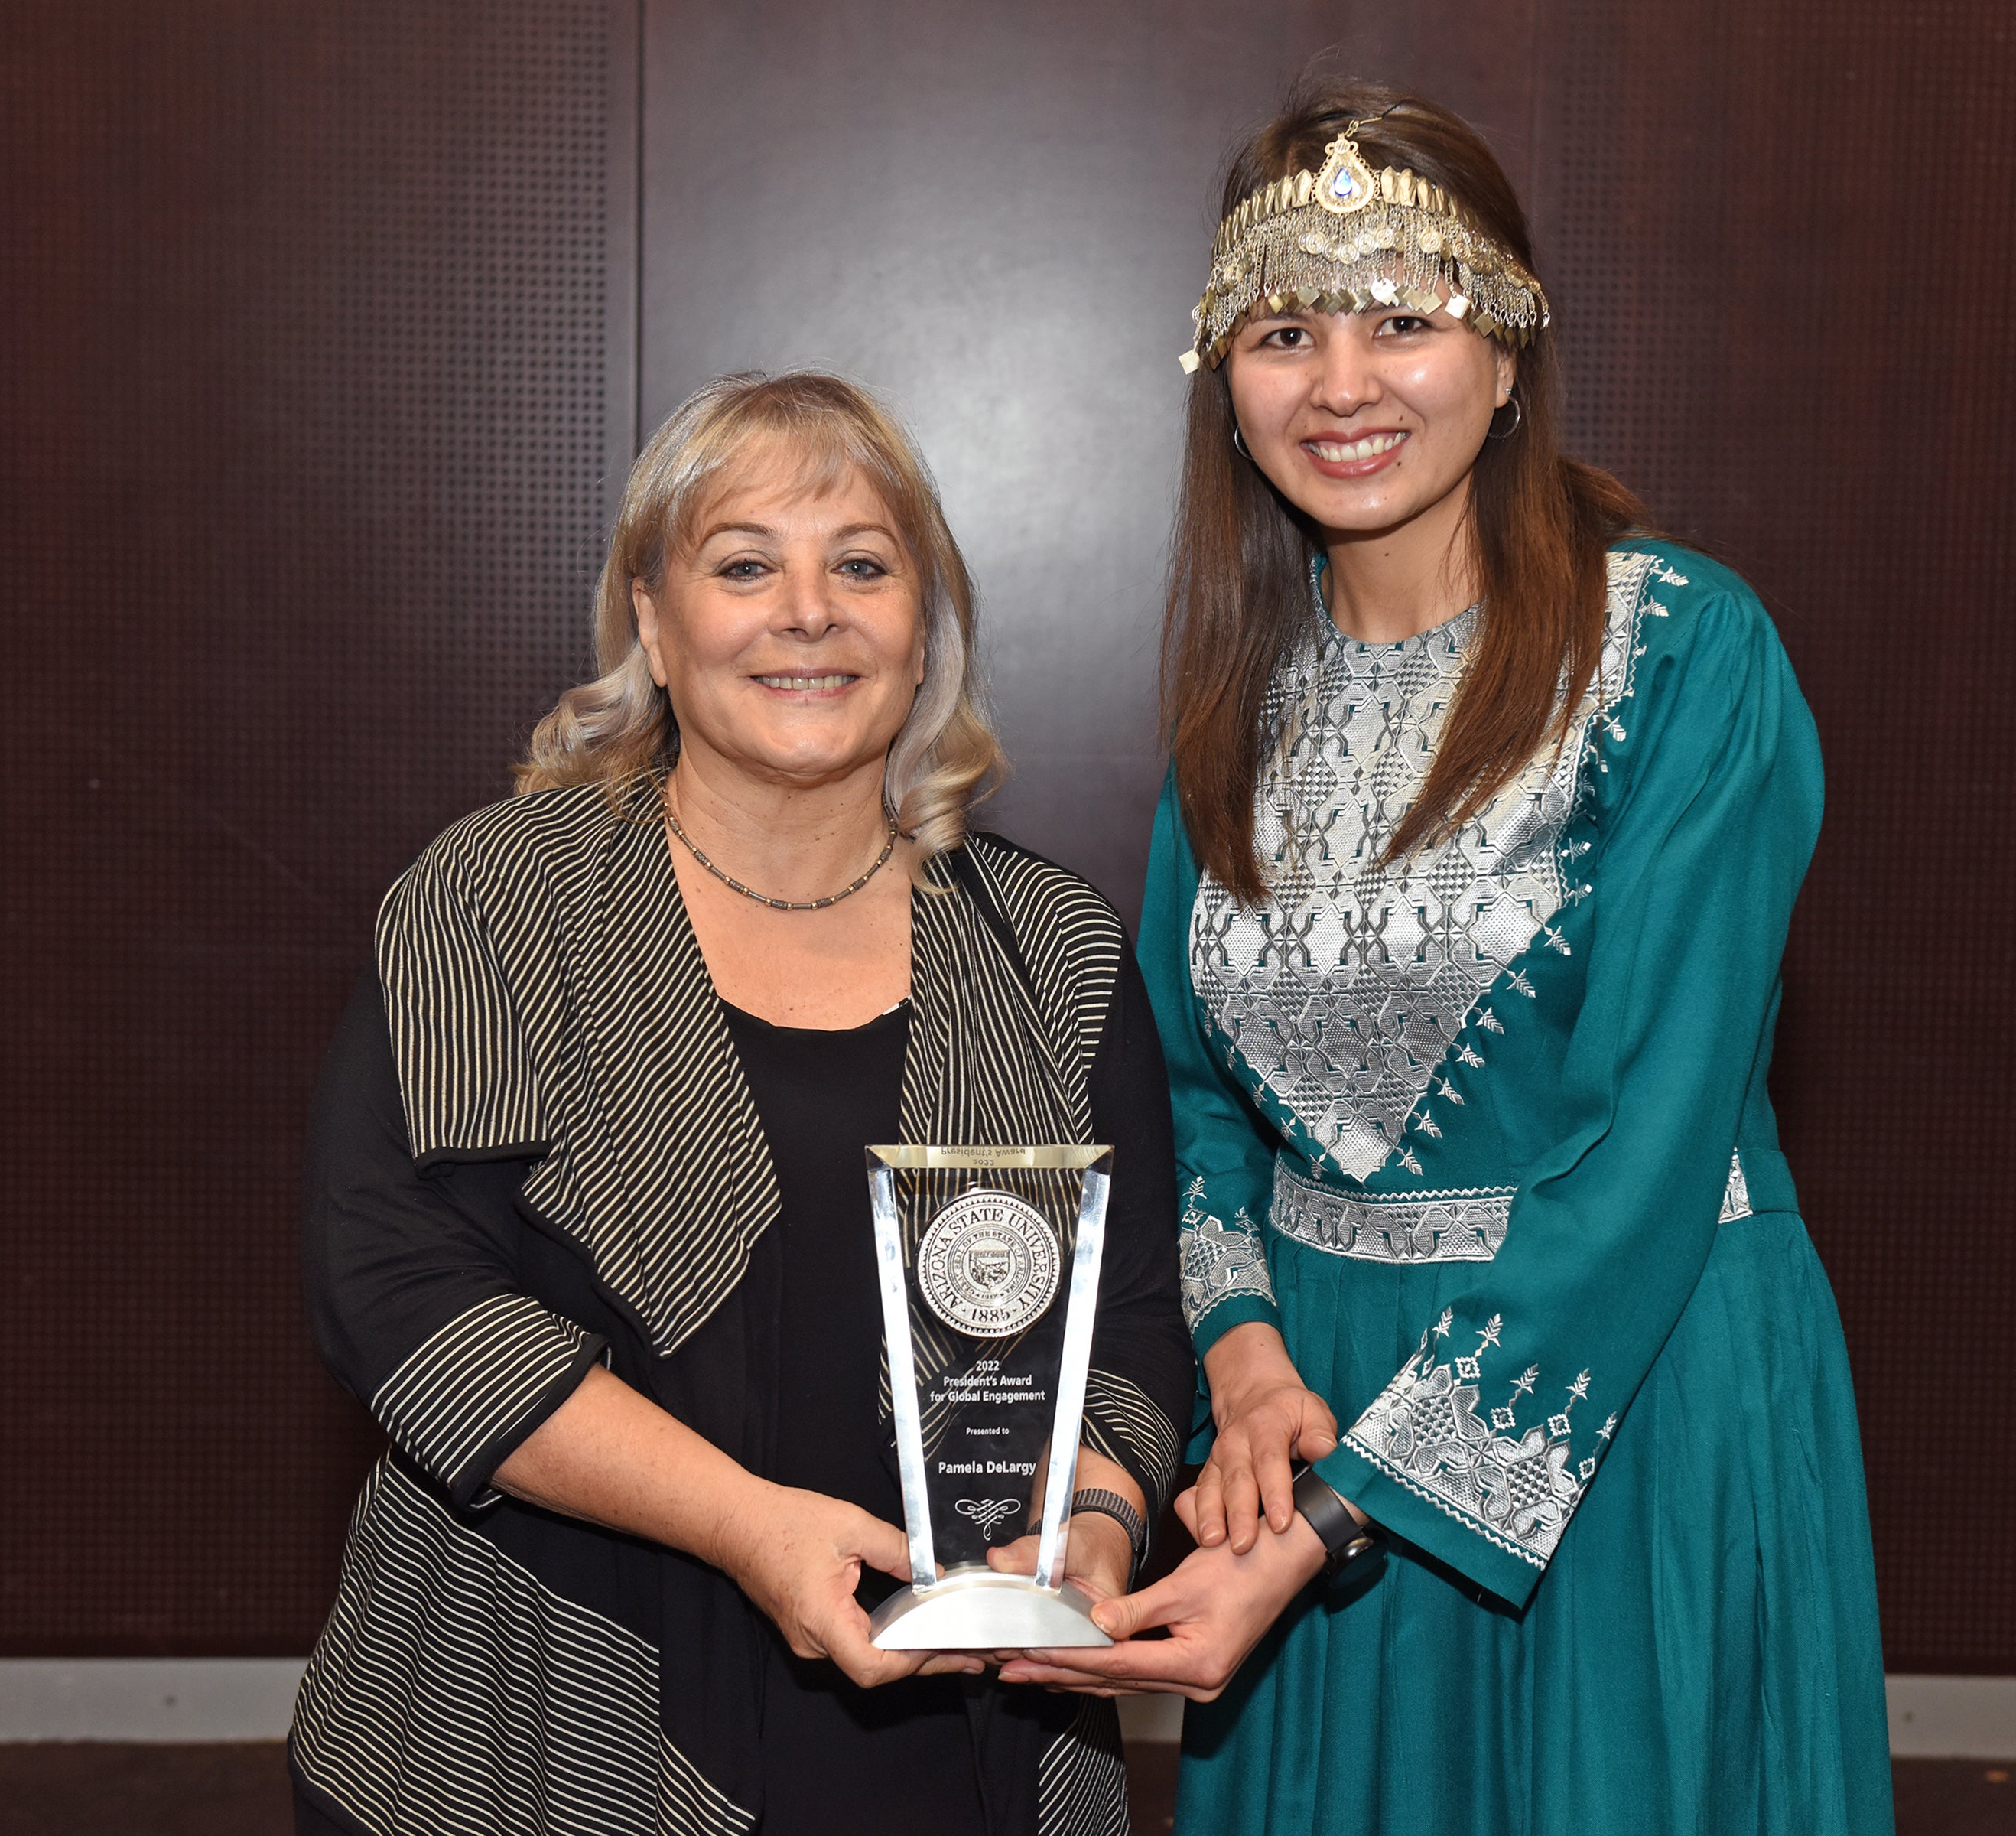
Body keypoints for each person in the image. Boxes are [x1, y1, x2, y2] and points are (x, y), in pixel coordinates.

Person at [997, 81, 1895, 1836]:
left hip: (1620, 1385)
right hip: (1311, 1406)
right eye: (1284, 330)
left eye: (1403, 320)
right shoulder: (1230, 707)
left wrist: (1348, 1523)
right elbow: (1192, 1098)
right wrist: (1245, 1354)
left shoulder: (1685, 655)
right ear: (1222, 379)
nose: (1341, 384)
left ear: (1506, 354)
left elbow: (1653, 1152)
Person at [288, 370, 1194, 1836]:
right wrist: (742, 1525)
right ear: (654, 620)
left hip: (961, 1736)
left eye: (862, 565)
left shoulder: (1055, 947)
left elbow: (1138, 1317)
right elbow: (394, 1293)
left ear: (927, 627)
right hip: (546, 1707)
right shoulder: (493, 904)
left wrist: (1098, 1514)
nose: (808, 612)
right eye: (744, 564)